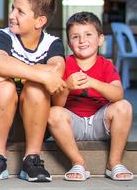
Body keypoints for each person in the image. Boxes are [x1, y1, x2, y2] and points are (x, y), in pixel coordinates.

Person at [0, 0, 65, 183]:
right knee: (3, 87)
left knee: (36, 88)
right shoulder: (3, 36)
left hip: (36, 120)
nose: (12, 15)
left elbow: (55, 73)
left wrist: (10, 73)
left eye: (20, 11)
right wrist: (36, 73)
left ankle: (31, 159)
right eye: (12, 8)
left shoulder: (53, 43)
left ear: (39, 21)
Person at [48, 12, 133, 181]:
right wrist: (66, 87)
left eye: (88, 34)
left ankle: (114, 163)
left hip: (100, 121)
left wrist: (93, 82)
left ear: (100, 39)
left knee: (124, 106)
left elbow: (118, 94)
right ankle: (78, 162)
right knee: (53, 113)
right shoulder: (64, 64)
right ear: (69, 43)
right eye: (75, 36)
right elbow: (57, 103)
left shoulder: (106, 65)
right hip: (73, 124)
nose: (82, 40)